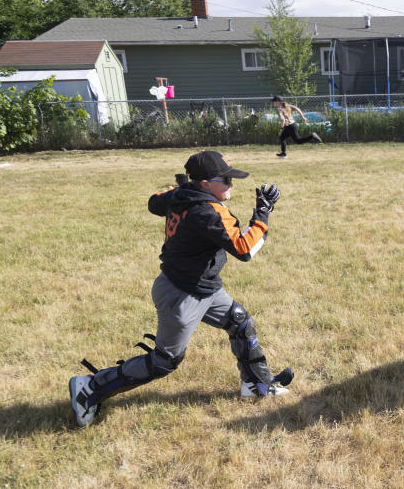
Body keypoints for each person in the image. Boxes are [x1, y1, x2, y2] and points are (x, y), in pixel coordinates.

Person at [68, 150, 293, 427]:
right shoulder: (208, 211)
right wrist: (263, 213)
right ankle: (89, 388)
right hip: (182, 294)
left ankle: (257, 384)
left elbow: (154, 203)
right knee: (164, 361)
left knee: (240, 322)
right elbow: (244, 249)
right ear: (206, 184)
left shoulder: (185, 194)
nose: (231, 185)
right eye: (225, 180)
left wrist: (180, 190)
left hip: (200, 285)